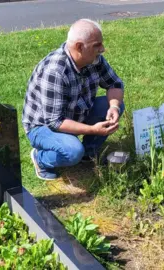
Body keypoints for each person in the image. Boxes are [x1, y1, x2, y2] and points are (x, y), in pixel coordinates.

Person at [22, 19, 125, 181]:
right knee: (73, 151)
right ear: (79, 47)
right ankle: (40, 159)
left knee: (113, 104)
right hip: (42, 126)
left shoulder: (94, 60)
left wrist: (114, 107)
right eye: (97, 45)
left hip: (75, 113)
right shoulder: (55, 71)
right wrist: (93, 130)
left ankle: (89, 153)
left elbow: (115, 84)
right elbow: (55, 122)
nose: (102, 49)